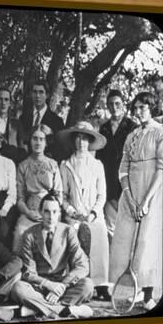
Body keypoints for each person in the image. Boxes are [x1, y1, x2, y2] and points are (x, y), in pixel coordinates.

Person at [109, 92, 163, 311]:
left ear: (151, 108)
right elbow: (123, 169)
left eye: (143, 107)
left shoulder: (160, 133)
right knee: (124, 242)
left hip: (152, 194)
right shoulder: (131, 135)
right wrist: (130, 198)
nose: (138, 111)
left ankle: (149, 294)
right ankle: (129, 292)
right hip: (130, 196)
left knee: (147, 243)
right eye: (136, 108)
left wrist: (147, 201)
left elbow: (161, 169)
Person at [11, 192, 94, 319]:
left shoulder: (68, 231)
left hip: (62, 285)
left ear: (59, 213)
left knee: (87, 285)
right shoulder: (29, 235)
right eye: (47, 212)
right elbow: (28, 273)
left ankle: (37, 309)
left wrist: (62, 287)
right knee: (18, 288)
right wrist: (49, 285)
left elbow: (82, 265)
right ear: (40, 212)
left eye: (55, 212)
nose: (51, 217)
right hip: (38, 287)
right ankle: (64, 310)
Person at [58, 121, 110, 299]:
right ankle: (75, 282)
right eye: (78, 138)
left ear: (90, 141)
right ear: (74, 141)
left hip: (93, 215)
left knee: (99, 237)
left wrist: (93, 213)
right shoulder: (65, 165)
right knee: (70, 239)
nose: (81, 142)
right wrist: (72, 212)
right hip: (73, 216)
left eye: (85, 138)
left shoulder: (97, 165)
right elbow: (62, 195)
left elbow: (102, 195)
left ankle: (100, 285)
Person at [12, 125, 63, 252]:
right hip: (30, 211)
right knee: (20, 232)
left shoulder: (53, 165)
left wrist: (50, 211)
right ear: (30, 141)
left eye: (41, 139)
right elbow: (20, 198)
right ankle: (18, 267)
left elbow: (59, 195)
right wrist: (28, 212)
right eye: (35, 138)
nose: (38, 142)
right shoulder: (23, 166)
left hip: (50, 210)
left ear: (46, 143)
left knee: (55, 235)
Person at [96, 90, 137, 239]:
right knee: (110, 228)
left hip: (126, 183)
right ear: (107, 106)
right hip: (109, 184)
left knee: (127, 229)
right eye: (111, 104)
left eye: (117, 103)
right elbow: (100, 158)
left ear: (123, 104)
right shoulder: (104, 128)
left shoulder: (133, 127)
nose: (114, 107)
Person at [19, 80, 65, 160]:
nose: (37, 96)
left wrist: (50, 135)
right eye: (35, 92)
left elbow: (61, 148)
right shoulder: (23, 117)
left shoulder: (57, 121)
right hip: (26, 163)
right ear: (31, 94)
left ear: (47, 95)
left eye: (41, 92)